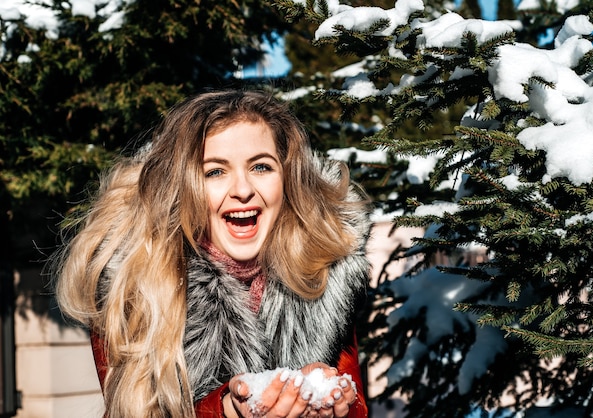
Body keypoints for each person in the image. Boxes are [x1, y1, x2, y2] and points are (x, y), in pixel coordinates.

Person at [54, 89, 372, 418]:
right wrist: (223, 411)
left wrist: (329, 403)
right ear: (184, 186)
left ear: (287, 180)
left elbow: (357, 406)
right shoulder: (134, 278)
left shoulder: (324, 270)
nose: (243, 190)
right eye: (215, 172)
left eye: (261, 167)